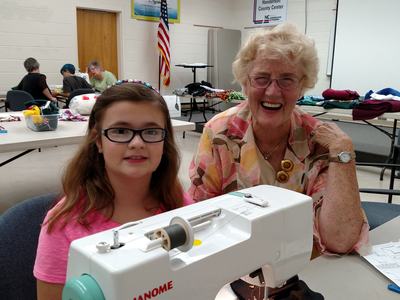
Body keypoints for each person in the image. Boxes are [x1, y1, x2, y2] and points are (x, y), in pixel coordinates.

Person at [189, 23, 368, 257]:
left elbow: (340, 239)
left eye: (287, 80)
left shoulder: (320, 141)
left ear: (302, 86)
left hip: (304, 266)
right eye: (261, 78)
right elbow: (198, 220)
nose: (273, 92)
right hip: (234, 261)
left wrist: (344, 153)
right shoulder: (220, 133)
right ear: (245, 83)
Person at [34, 80, 194, 299]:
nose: (137, 143)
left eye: (151, 131)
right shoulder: (63, 227)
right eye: (120, 131)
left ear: (164, 141)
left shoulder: (180, 205)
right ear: (98, 141)